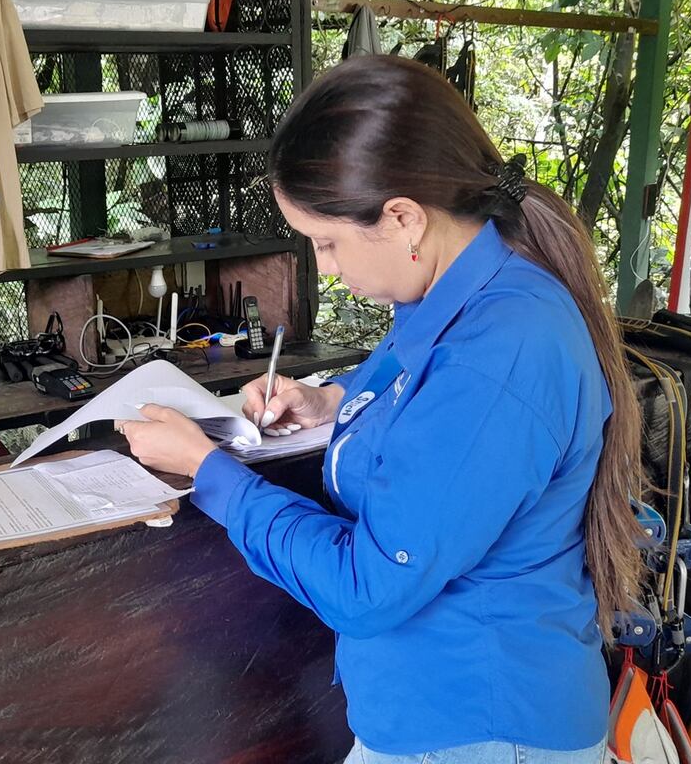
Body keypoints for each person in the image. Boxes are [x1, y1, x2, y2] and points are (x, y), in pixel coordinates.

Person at [120, 55, 644, 763]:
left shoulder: (505, 346)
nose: (325, 266)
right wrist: (324, 400)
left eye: (326, 241)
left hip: (480, 727)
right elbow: (410, 392)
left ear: (402, 217)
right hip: (432, 714)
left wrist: (210, 471)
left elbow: (369, 586)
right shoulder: (453, 299)